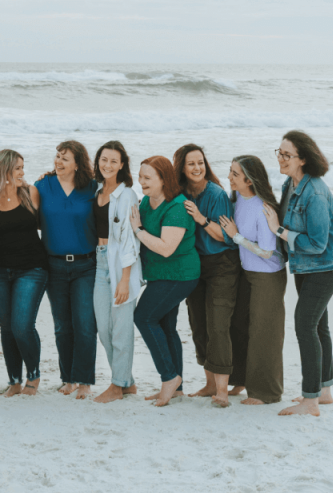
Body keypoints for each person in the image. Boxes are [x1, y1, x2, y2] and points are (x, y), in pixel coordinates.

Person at [264, 131, 333, 417]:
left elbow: (318, 243)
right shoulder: (291, 183)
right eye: (279, 151)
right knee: (318, 323)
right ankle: (323, 391)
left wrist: (279, 230)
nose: (280, 158)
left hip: (326, 264)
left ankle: (310, 400)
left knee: (305, 324)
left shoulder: (315, 193)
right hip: (303, 265)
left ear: (302, 159)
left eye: (287, 155)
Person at [130, 156, 200, 407]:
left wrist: (138, 230)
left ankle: (169, 377)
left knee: (143, 317)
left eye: (148, 178)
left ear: (164, 180)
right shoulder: (148, 202)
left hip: (179, 274)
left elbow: (166, 248)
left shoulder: (177, 207)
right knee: (166, 326)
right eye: (140, 176)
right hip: (160, 274)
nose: (142, 181)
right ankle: (177, 387)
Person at [176, 143, 241, 407]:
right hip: (194, 264)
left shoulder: (216, 193)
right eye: (191, 163)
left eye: (200, 162)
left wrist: (201, 219)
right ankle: (210, 383)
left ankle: (223, 390)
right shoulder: (179, 193)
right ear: (182, 166)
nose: (197, 167)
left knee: (217, 324)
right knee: (198, 324)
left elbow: (227, 236)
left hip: (221, 263)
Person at [219, 156, 287, 405]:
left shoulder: (263, 207)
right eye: (230, 172)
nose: (230, 177)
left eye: (235, 174)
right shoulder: (237, 200)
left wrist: (236, 236)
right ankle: (242, 380)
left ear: (249, 179)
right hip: (247, 273)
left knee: (264, 333)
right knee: (240, 325)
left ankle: (266, 393)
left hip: (267, 275)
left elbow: (268, 251)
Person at [37, 140, 98, 399]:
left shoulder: (92, 188)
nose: (58, 161)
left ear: (77, 164)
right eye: (57, 156)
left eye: (65, 158)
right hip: (54, 265)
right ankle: (68, 378)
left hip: (86, 265)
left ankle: (84, 380)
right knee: (63, 325)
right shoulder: (43, 186)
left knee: (84, 324)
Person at [0, 149, 48, 397]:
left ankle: (33, 375)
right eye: (18, 168)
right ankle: (14, 380)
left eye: (23, 167)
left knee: (22, 325)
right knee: (7, 327)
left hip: (32, 268)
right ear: (4, 170)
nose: (23, 172)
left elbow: (47, 223)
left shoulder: (31, 192)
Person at [92, 141, 141, 403]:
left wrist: (124, 280)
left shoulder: (128, 195)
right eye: (104, 159)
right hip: (99, 264)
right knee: (103, 328)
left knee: (121, 329)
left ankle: (117, 384)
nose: (108, 165)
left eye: (114, 161)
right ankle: (127, 382)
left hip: (122, 267)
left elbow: (130, 241)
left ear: (122, 165)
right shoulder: (96, 191)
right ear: (97, 161)